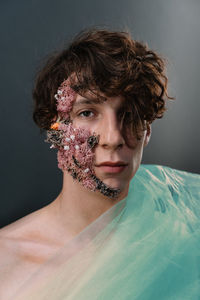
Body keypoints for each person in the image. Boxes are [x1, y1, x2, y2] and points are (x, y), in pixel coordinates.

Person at [0, 28, 199, 300]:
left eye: (129, 114)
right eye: (87, 112)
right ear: (56, 130)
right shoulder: (6, 261)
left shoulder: (186, 236)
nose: (113, 138)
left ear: (148, 130)